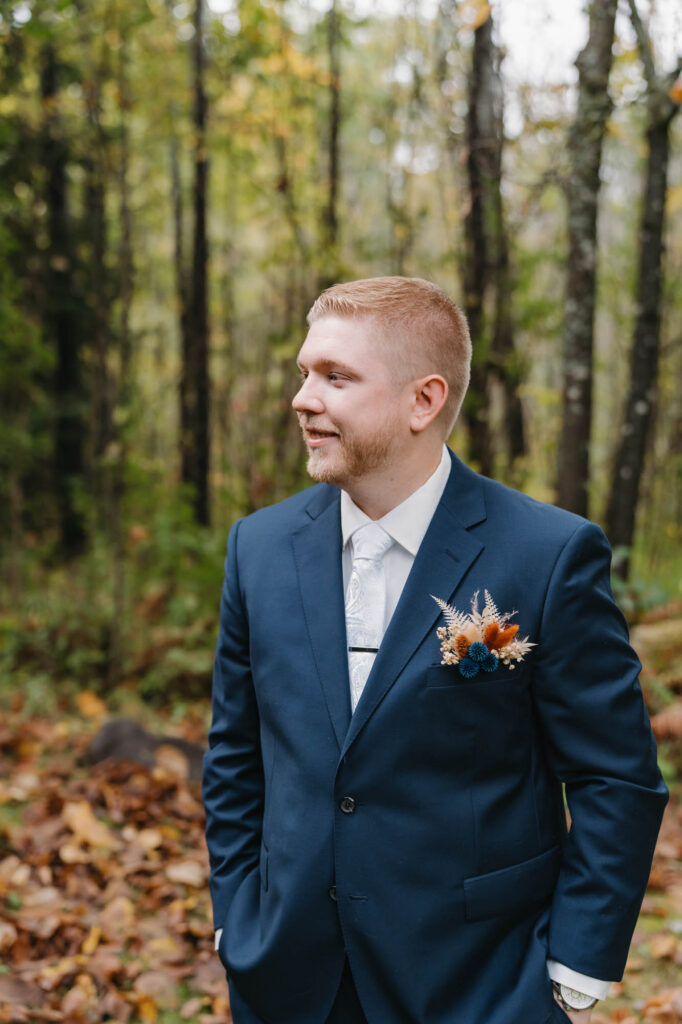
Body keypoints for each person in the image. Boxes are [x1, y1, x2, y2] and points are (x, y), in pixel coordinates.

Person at [202, 276, 668, 1024]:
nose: (302, 399)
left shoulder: (547, 555)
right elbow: (235, 754)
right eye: (304, 373)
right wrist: (235, 919)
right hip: (288, 978)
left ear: (423, 400)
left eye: (336, 377)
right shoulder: (257, 548)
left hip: (478, 982)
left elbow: (616, 777)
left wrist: (576, 967)